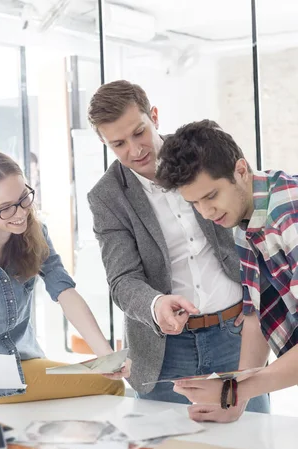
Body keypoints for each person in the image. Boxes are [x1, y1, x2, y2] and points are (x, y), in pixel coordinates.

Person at [87, 80, 268, 413]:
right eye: (118, 144)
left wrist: (258, 301)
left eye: (139, 132)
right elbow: (122, 279)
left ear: (153, 116)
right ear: (104, 143)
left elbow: (252, 221)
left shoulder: (200, 154)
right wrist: (156, 305)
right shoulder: (106, 197)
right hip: (166, 349)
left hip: (236, 330)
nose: (135, 149)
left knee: (254, 439)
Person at [0, 150, 129, 405]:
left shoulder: (35, 234)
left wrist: (105, 354)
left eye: (23, 199)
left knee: (108, 381)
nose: (20, 213)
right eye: (5, 208)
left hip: (27, 360)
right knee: (110, 387)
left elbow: (65, 292)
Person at [155, 118, 298, 422]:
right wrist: (236, 400)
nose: (207, 212)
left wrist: (232, 389)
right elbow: (256, 313)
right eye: (195, 203)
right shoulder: (247, 223)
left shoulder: (290, 219)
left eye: (211, 196)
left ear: (241, 170)